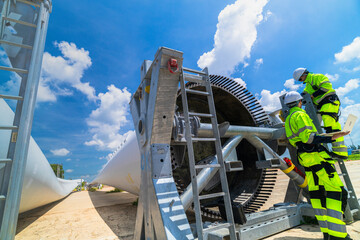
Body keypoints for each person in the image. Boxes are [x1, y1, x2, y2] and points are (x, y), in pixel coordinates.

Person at [284, 91, 351, 240]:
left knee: (317, 195)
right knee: (336, 191)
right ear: (300, 102)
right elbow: (308, 138)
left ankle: (327, 234)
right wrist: (334, 136)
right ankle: (338, 236)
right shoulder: (300, 115)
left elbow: (297, 141)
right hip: (316, 156)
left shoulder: (288, 119)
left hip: (306, 159)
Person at [293, 68, 347, 159]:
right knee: (329, 127)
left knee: (331, 126)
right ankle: (338, 151)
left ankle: (341, 152)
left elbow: (326, 87)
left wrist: (313, 95)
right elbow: (304, 95)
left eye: (300, 79)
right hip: (323, 105)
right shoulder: (308, 86)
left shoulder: (317, 77)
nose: (300, 81)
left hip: (329, 101)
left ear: (303, 74)